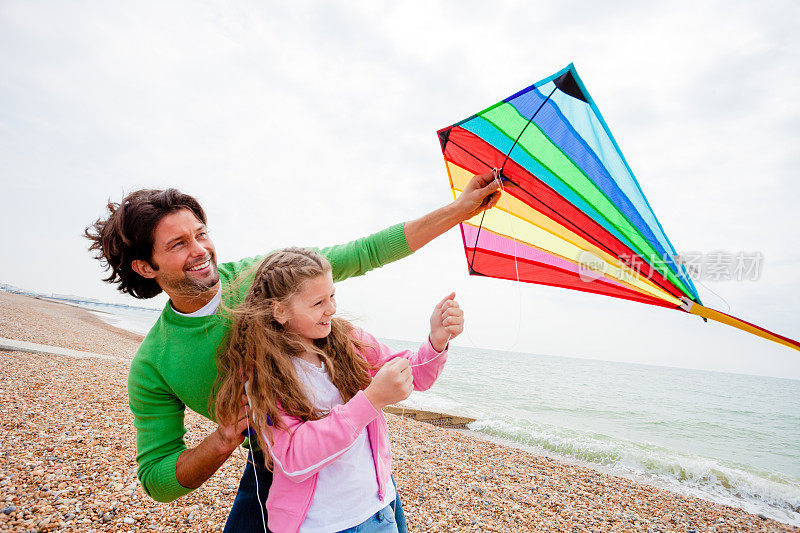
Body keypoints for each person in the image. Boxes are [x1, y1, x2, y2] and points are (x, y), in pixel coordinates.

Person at [83, 173, 499, 531]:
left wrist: (460, 210)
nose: (200, 250)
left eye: (201, 233)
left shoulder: (266, 277)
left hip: (355, 467)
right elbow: (156, 477)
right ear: (145, 266)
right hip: (274, 463)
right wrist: (223, 440)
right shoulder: (154, 362)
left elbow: (368, 251)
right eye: (178, 244)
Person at [214, 247, 463, 533]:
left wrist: (437, 339)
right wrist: (370, 401)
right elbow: (294, 458)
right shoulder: (263, 373)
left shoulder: (350, 341)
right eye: (318, 302)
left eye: (332, 296)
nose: (331, 308)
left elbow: (414, 375)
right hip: (319, 526)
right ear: (280, 311)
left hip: (379, 512)